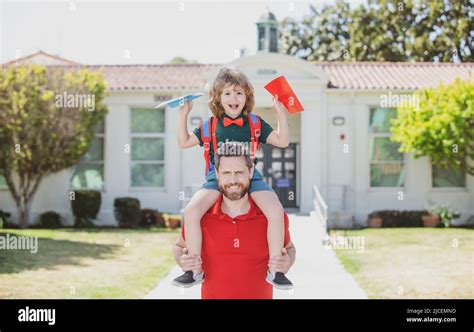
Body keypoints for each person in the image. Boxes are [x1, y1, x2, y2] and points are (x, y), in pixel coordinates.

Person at [174, 67, 292, 289]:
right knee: (191, 211)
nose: (233, 98)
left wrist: (280, 112)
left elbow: (283, 141)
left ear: (247, 96)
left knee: (275, 210)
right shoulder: (210, 125)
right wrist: (184, 115)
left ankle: (275, 271)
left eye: (239, 92)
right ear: (218, 98)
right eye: (227, 93)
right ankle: (194, 269)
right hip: (216, 176)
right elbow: (184, 142)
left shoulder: (255, 123)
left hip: (250, 175)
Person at [172, 142, 296, 299]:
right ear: (216, 174)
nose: (233, 180)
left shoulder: (270, 216)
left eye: (239, 172)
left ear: (251, 172)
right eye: (226, 173)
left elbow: (290, 248)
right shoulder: (201, 217)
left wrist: (287, 262)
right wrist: (183, 262)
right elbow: (178, 247)